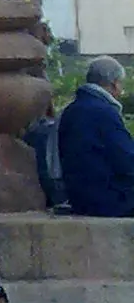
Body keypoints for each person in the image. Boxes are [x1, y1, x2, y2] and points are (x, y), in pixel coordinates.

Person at [57, 58, 134, 217]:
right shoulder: (104, 112)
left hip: (78, 197)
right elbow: (126, 159)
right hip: (107, 199)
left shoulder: (71, 110)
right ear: (114, 83)